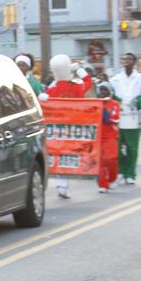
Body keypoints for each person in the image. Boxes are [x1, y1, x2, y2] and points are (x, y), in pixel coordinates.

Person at [40, 54, 92, 199]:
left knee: (57, 154)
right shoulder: (77, 87)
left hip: (57, 129)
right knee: (69, 155)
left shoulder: (51, 90)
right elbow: (89, 81)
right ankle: (64, 184)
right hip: (74, 128)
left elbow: (43, 103)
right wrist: (79, 69)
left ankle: (61, 184)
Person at [109, 53, 141, 185]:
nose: (126, 61)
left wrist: (137, 101)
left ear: (134, 62)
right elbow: (110, 97)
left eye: (129, 59)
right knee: (117, 147)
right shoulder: (115, 79)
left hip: (133, 117)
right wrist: (117, 102)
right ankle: (121, 170)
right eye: (124, 59)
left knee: (132, 148)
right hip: (118, 118)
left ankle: (130, 173)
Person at [96, 82, 120, 193]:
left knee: (110, 159)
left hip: (110, 136)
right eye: (101, 90)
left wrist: (102, 106)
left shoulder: (115, 104)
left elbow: (111, 119)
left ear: (109, 91)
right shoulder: (95, 104)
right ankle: (102, 184)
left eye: (105, 90)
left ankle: (112, 178)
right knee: (99, 162)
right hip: (98, 137)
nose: (102, 92)